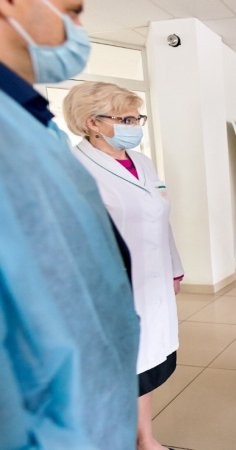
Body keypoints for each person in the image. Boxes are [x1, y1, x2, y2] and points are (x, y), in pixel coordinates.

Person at [0, 0, 140, 448]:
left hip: (85, 396)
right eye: (72, 10)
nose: (78, 28)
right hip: (46, 423)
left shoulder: (33, 123)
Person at [63, 82, 184, 450]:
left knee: (142, 369)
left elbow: (159, 218)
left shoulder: (141, 162)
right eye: (126, 119)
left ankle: (145, 440)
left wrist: (174, 267)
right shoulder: (71, 169)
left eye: (136, 118)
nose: (135, 126)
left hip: (151, 282)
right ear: (92, 123)